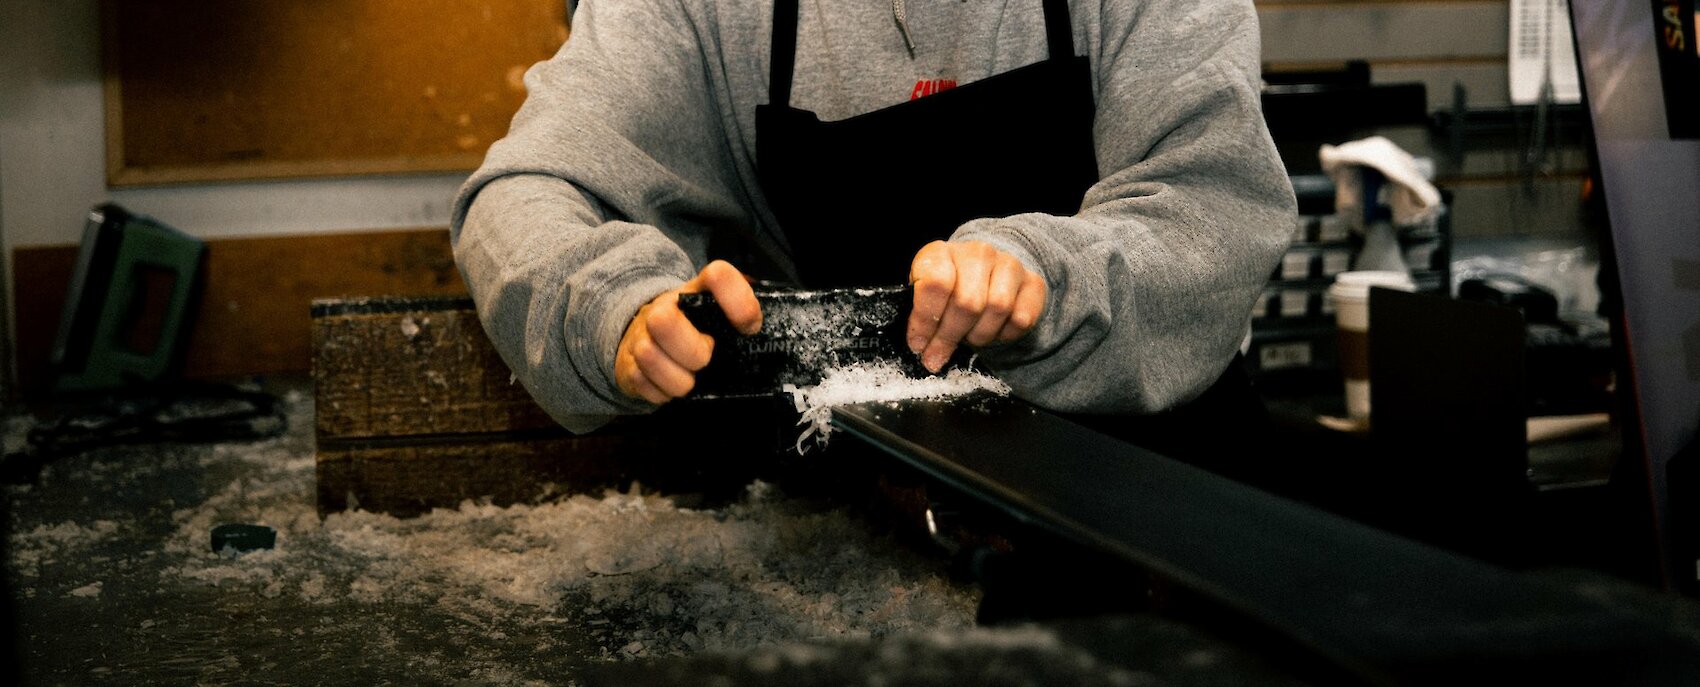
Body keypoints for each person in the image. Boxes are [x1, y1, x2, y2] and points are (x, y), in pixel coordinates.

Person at [451, 0, 1296, 454]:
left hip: (1166, 517)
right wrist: (608, 302)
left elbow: (1216, 204)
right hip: (876, 520)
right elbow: (523, 192)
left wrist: (1046, 271)